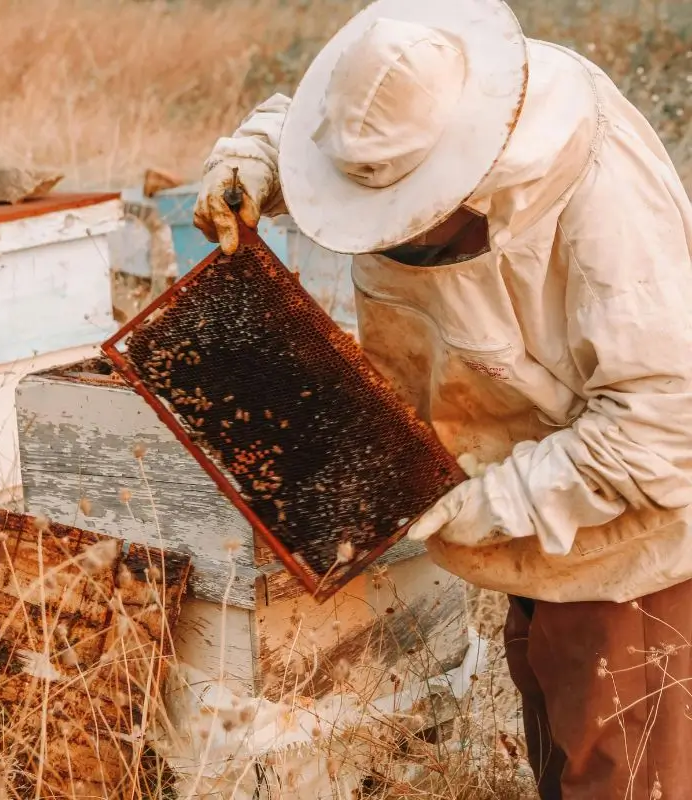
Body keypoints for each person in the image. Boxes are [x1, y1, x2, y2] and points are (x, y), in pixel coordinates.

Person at [192, 0, 692, 797]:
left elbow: (662, 432)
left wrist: (474, 503)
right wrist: (256, 161)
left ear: (472, 173)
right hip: (540, 523)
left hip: (625, 555)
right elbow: (337, 133)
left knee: (620, 768)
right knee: (557, 738)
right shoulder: (427, 90)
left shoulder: (605, 207)